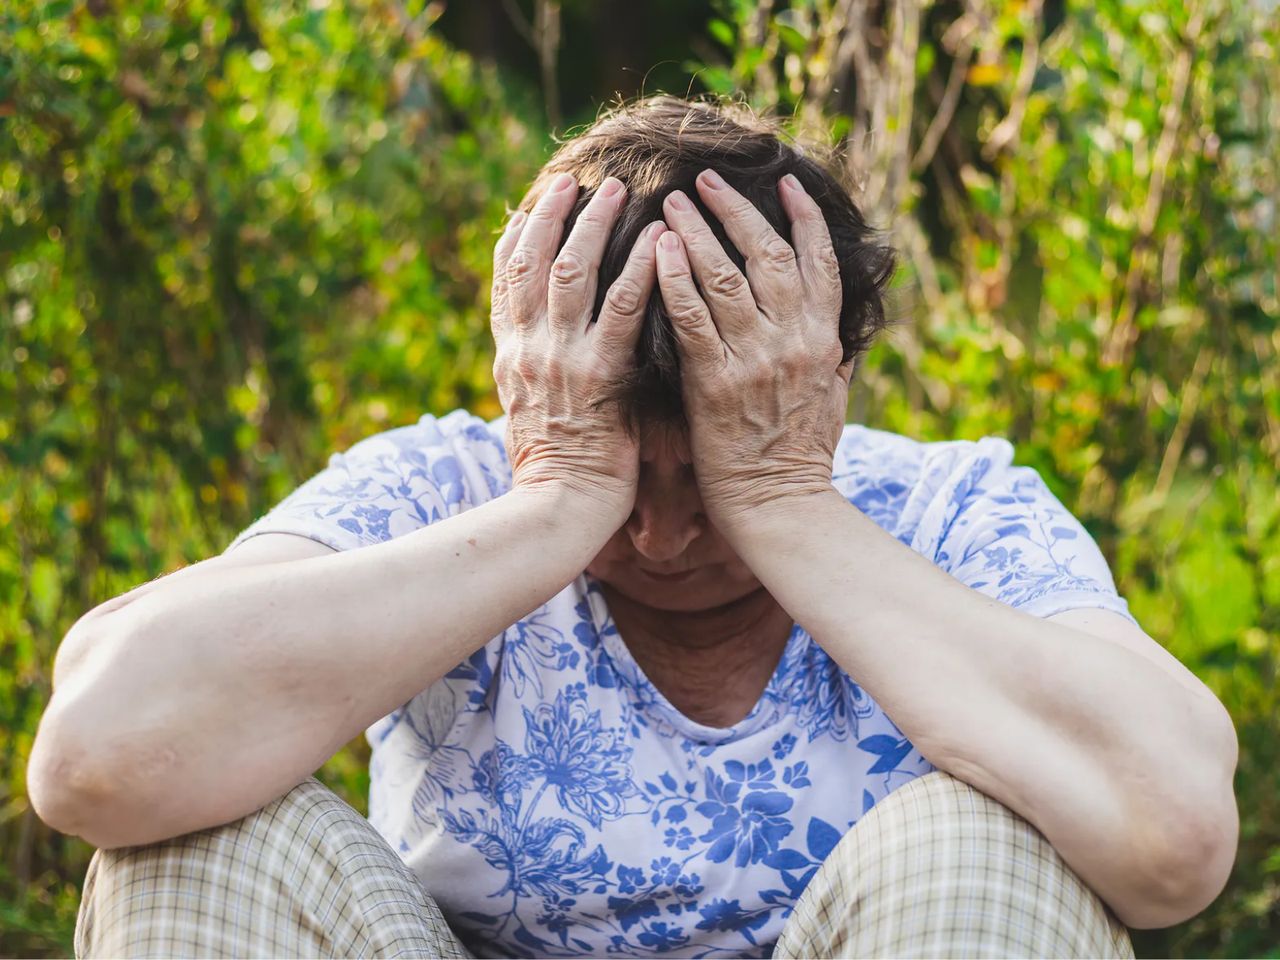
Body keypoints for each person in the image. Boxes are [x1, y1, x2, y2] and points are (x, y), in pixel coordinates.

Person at [30, 95, 1237, 959]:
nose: (657, 536)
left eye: (701, 473)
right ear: (526, 375)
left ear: (823, 380)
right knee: (198, 847)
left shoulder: (944, 514)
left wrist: (782, 503)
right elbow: (96, 755)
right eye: (625, 472)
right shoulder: (444, 491)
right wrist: (556, 494)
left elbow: (1170, 837)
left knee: (982, 849)